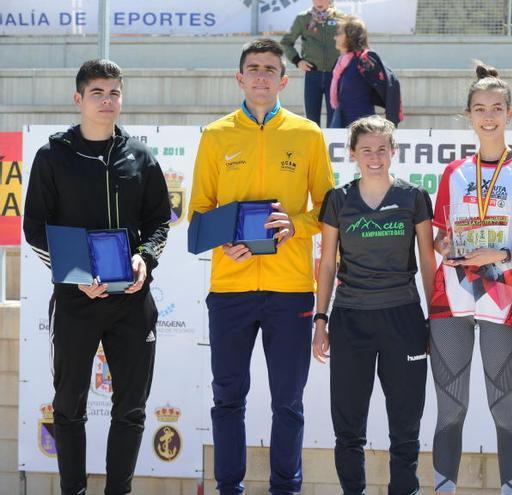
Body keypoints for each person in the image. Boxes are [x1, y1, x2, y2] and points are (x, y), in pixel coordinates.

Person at [188, 38, 335, 495]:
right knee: (227, 399)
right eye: (253, 68)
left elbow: (329, 212)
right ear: (239, 77)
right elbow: (198, 213)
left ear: (284, 80)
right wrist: (223, 241)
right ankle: (228, 488)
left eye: (270, 69)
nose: (261, 76)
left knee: (287, 403)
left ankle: (285, 488)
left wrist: (296, 224)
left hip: (290, 288)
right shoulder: (215, 136)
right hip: (229, 288)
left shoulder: (307, 134)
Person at [23, 59, 170, 495]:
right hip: (75, 299)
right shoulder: (52, 156)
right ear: (78, 99)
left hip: (131, 301)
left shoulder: (140, 157)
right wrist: (75, 275)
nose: (107, 101)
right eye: (97, 93)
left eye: (114, 93)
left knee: (132, 408)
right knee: (68, 405)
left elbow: (160, 222)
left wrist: (145, 259)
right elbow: (35, 229)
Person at [429, 63, 512, 494]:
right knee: (450, 408)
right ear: (468, 115)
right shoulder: (454, 172)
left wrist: (503, 253)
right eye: (480, 108)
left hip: (506, 297)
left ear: (510, 113)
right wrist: (445, 246)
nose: (488, 116)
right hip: (452, 298)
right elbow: (441, 236)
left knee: (505, 408)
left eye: (496, 108)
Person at [311, 115, 436, 495]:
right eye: (366, 149)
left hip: (404, 318)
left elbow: (428, 261)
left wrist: (435, 318)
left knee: (405, 426)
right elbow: (328, 263)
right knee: (348, 427)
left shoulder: (413, 197)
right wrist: (321, 319)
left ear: (394, 151)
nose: (375, 156)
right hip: (351, 320)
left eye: (382, 149)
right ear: (352, 154)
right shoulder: (338, 199)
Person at [329, 16, 402, 128]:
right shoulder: (341, 62)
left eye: (339, 33)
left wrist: (391, 119)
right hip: (342, 122)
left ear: (350, 36)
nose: (335, 37)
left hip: (362, 128)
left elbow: (391, 84)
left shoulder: (364, 59)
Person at [280, 0, 342, 127]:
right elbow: (286, 42)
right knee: (311, 120)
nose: (319, 1)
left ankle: (330, 145)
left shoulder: (341, 18)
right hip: (313, 75)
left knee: (335, 118)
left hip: (335, 75)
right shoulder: (303, 19)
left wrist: (344, 64)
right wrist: (297, 61)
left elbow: (351, 43)